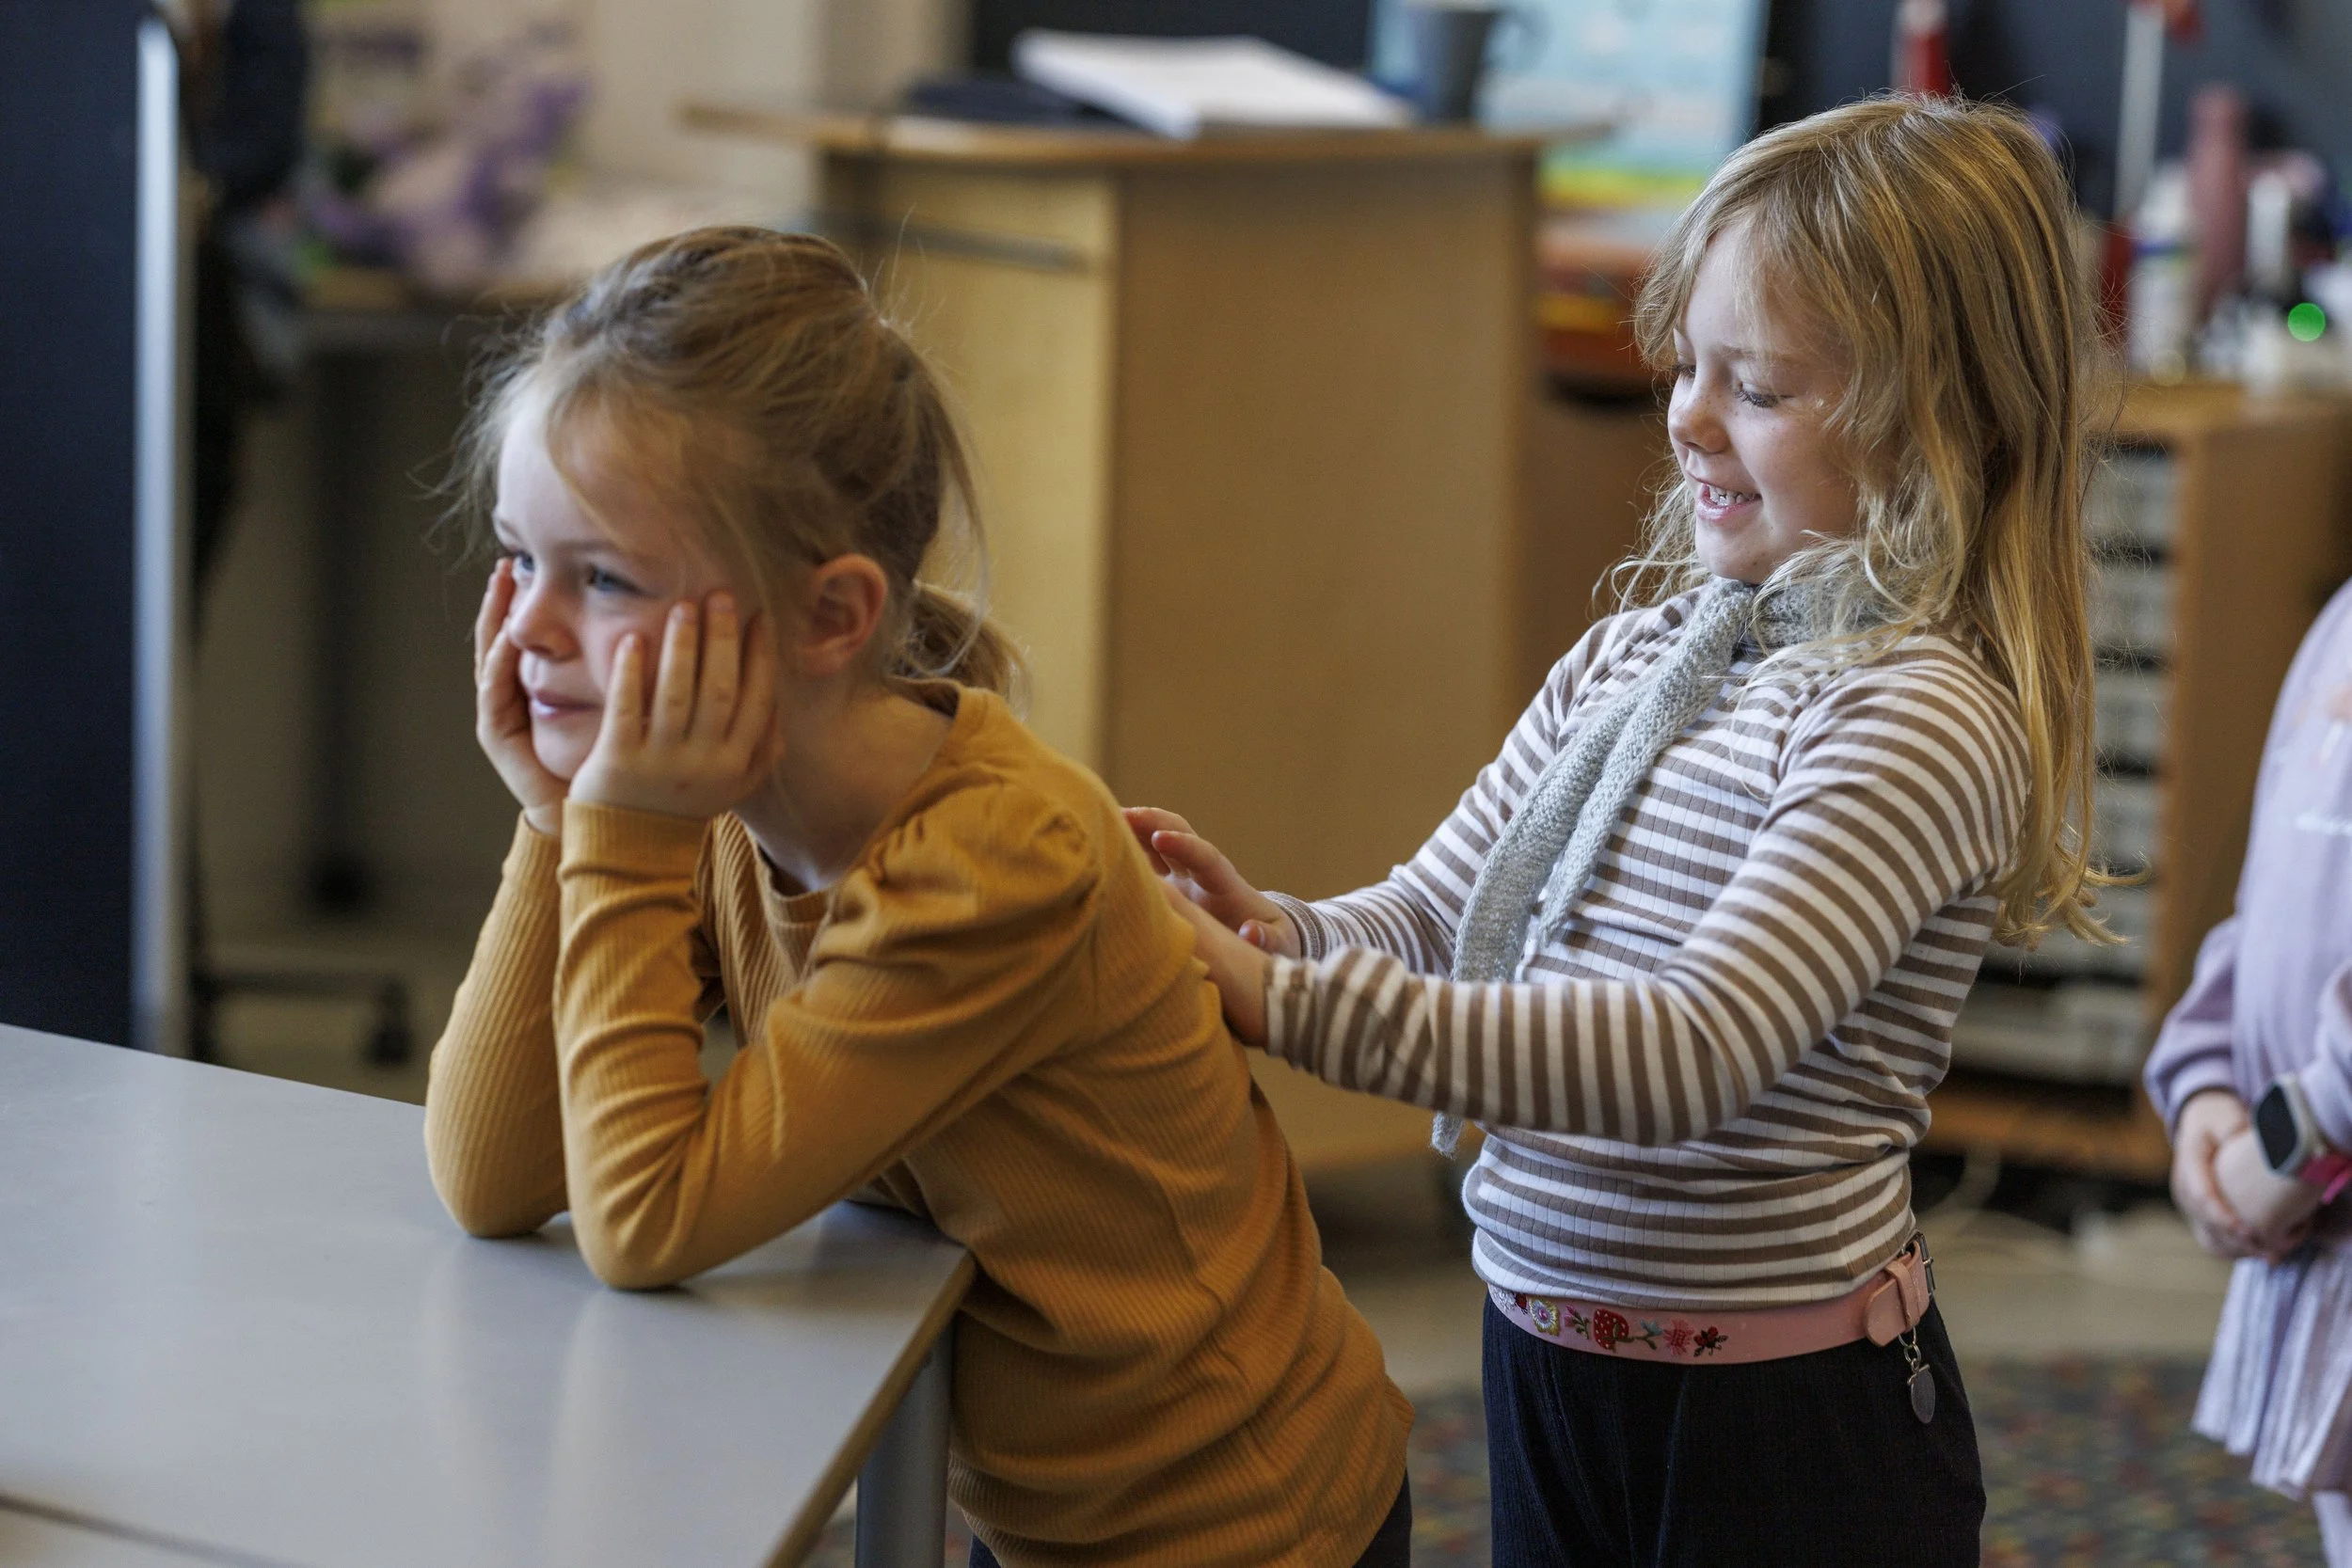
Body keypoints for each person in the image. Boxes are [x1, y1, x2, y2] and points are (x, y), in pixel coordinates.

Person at [1127, 96, 2106, 1568]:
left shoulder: (1917, 713)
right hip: (1551, 1355)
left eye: (1759, 386)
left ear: (1935, 425)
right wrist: (1274, 924)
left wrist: (1285, 1001)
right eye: (1689, 365)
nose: (1687, 418)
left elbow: (1692, 1048)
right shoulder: (1635, 662)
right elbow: (1441, 913)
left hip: (1780, 1421)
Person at [422, 228, 1413, 1568]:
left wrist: (613, 835)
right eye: (518, 559)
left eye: (601, 577)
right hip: (1047, 1513)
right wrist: (557, 825)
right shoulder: (711, 807)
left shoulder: (991, 861)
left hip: (1239, 1523)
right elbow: (492, 1177)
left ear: (833, 615)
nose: (532, 629)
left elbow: (644, 1219)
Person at [2147, 578, 2352, 1563]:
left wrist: (2299, 1142)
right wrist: (2204, 1086)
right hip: (2308, 1215)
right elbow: (2265, 900)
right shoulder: (2339, 617)